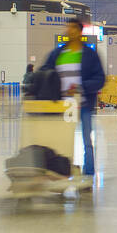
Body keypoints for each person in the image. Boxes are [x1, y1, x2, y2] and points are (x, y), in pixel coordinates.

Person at [39, 18, 105, 177]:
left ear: (80, 31)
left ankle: (89, 174)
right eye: (67, 27)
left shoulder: (89, 55)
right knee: (61, 140)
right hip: (62, 106)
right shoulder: (57, 54)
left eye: (73, 28)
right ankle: (60, 171)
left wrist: (81, 87)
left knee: (87, 142)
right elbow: (44, 72)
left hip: (83, 105)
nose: (69, 31)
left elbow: (100, 79)